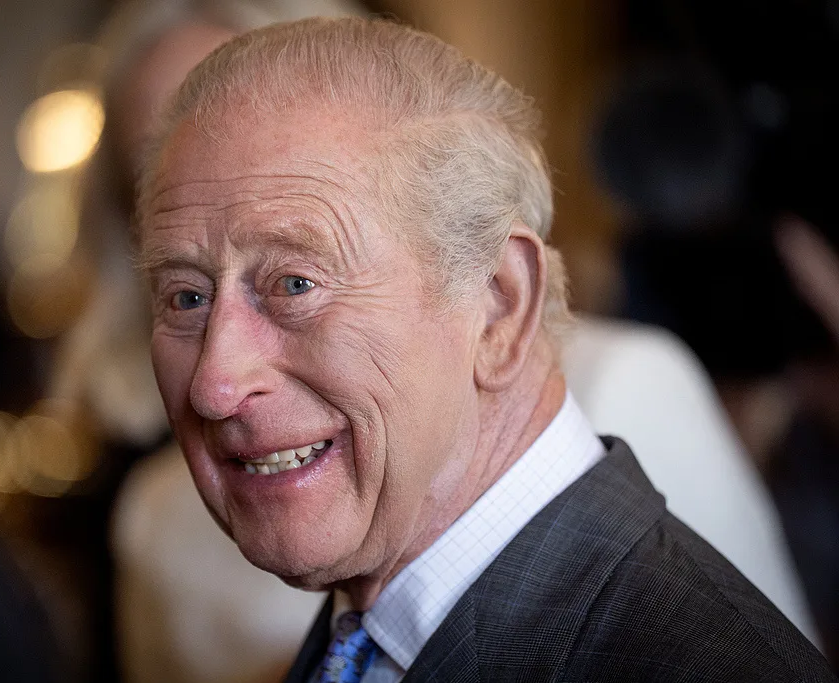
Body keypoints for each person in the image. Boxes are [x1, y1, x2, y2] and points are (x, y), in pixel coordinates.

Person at [134, 16, 835, 682]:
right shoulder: (372, 623)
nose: (214, 385)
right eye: (187, 298)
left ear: (500, 305)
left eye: (296, 284)